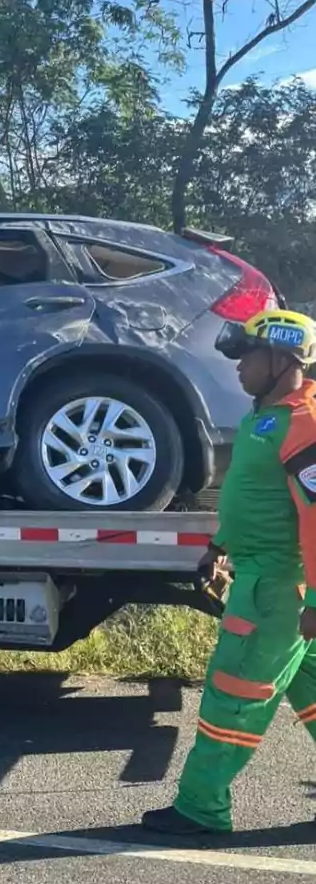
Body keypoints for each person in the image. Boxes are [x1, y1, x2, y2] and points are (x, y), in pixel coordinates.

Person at [142, 308, 316, 836]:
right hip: (268, 581)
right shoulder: (265, 419)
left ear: (282, 359)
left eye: (247, 356)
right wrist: (219, 546)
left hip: (274, 593)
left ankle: (201, 808)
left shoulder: (304, 424)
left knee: (233, 698)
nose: (238, 366)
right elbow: (256, 499)